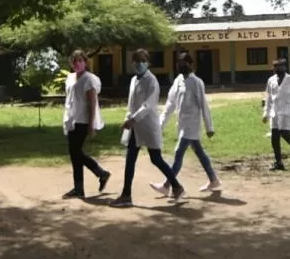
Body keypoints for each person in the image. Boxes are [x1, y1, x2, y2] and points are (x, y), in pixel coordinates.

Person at [111, 49, 184, 207]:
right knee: (130, 159)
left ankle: (176, 186)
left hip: (148, 125)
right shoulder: (133, 80)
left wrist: (133, 119)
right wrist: (128, 120)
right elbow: (131, 104)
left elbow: (148, 105)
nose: (139, 64)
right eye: (136, 61)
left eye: (143, 61)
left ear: (148, 63)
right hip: (135, 127)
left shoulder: (152, 81)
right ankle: (126, 195)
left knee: (155, 158)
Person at [154, 53, 221, 195]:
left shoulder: (196, 82)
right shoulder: (178, 80)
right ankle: (213, 179)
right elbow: (170, 104)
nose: (181, 65)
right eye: (179, 62)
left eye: (184, 62)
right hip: (182, 124)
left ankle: (167, 185)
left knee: (178, 152)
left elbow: (204, 105)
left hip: (192, 124)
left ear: (191, 64)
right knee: (200, 153)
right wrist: (160, 124)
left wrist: (209, 127)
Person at [62, 49, 110, 199]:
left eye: (79, 61)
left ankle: (100, 173)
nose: (77, 64)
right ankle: (79, 187)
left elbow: (92, 102)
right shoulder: (70, 78)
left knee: (76, 152)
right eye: (74, 61)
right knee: (74, 154)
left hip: (83, 120)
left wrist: (91, 124)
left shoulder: (89, 79)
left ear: (85, 62)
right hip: (72, 119)